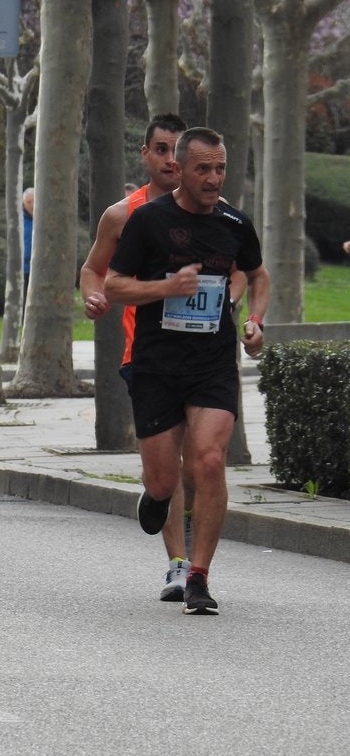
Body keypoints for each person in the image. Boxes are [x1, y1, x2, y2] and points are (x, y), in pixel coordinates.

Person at [104, 126, 270, 615]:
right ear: (181, 168)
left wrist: (256, 320)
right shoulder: (148, 221)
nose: (214, 177)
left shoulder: (235, 223)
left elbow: (258, 275)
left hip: (212, 362)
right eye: (203, 168)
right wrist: (166, 288)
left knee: (211, 460)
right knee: (163, 482)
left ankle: (198, 577)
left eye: (220, 168)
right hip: (157, 365)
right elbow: (114, 286)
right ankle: (154, 496)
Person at [79, 113, 195, 600]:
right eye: (161, 150)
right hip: (144, 356)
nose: (171, 160)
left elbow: (239, 269)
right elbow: (92, 269)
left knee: (197, 458)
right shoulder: (122, 215)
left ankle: (192, 564)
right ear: (145, 155)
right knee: (169, 463)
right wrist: (93, 296)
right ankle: (178, 562)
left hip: (201, 355)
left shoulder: (212, 210)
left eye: (177, 151)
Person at [21, 187, 34, 301]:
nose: (32, 205)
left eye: (34, 201)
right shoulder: (19, 220)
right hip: (24, 269)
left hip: (41, 269)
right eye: (29, 202)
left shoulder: (46, 219)